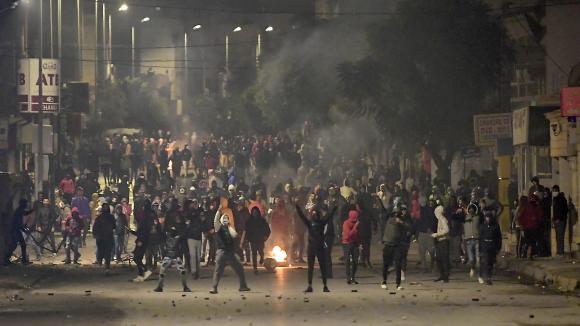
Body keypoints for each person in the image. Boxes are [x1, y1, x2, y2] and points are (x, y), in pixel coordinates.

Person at [295, 203, 337, 293]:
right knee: (312, 268)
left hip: (317, 247)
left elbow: (329, 215)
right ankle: (313, 286)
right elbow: (302, 216)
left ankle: (323, 286)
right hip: (313, 248)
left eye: (316, 214)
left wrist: (334, 208)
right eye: (314, 214)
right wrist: (298, 208)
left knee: (320, 267)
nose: (315, 215)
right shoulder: (313, 223)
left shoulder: (319, 223)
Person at [210, 208, 251, 294]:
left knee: (239, 269)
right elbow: (215, 221)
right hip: (222, 252)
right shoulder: (219, 228)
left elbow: (235, 237)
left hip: (230, 252)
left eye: (226, 219)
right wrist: (218, 211)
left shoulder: (229, 229)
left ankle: (242, 286)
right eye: (224, 219)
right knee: (218, 271)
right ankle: (214, 288)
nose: (225, 220)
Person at [380, 208, 411, 290]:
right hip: (388, 244)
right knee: (386, 264)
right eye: (395, 214)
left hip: (397, 246)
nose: (396, 216)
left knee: (398, 265)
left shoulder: (400, 222)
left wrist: (401, 222)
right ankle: (384, 281)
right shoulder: (389, 220)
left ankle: (398, 284)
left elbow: (408, 227)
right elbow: (386, 214)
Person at [154, 226, 191, 293]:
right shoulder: (168, 237)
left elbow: (185, 234)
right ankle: (159, 287)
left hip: (175, 257)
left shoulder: (178, 238)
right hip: (168, 257)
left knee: (182, 272)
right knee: (162, 272)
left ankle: (185, 287)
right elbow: (159, 232)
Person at [131, 199, 155, 282]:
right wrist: (133, 232)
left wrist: (140, 239)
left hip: (142, 239)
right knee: (137, 257)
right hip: (143, 238)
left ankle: (143, 272)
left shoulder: (146, 216)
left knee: (137, 257)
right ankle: (143, 272)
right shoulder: (149, 215)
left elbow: (144, 230)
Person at [242, 207, 271, 274]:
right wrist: (247, 238)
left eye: (256, 212)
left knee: (261, 251)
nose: (255, 213)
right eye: (253, 212)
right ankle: (255, 268)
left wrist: (266, 236)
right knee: (254, 254)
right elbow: (246, 230)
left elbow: (267, 229)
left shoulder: (262, 220)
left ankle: (261, 258)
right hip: (253, 240)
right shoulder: (249, 221)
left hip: (260, 239)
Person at [6, 199, 34, 265]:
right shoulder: (19, 210)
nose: (26, 205)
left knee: (21, 245)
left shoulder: (19, 210)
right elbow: (18, 222)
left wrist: (32, 210)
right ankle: (6, 259)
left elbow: (25, 213)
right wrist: (23, 229)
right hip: (15, 231)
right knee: (14, 245)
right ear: (23, 204)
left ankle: (23, 260)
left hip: (16, 230)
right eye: (25, 204)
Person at [479, 211, 502, 285]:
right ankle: (487, 277)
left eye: (489, 217)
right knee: (486, 261)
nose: (488, 219)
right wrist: (480, 248)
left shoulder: (495, 226)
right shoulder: (483, 226)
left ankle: (489, 276)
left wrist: (498, 247)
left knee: (491, 262)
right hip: (485, 246)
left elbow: (499, 238)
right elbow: (480, 238)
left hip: (492, 246)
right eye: (486, 217)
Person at [184, 199, 204, 280]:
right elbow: (186, 220)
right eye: (193, 203)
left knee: (198, 257)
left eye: (196, 203)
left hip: (198, 237)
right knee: (193, 255)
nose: (194, 205)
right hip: (191, 237)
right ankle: (194, 272)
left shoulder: (200, 212)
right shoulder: (189, 213)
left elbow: (203, 222)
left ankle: (197, 272)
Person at [92, 203, 116, 270]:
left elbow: (95, 227)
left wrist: (95, 235)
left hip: (103, 237)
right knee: (106, 252)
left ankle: (103, 263)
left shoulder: (99, 217)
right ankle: (106, 266)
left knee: (102, 251)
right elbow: (114, 226)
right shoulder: (111, 217)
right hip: (106, 237)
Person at [432, 203, 450, 283]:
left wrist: (437, 234)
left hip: (444, 241)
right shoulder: (440, 220)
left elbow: (447, 230)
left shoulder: (443, 219)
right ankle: (442, 276)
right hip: (440, 241)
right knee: (439, 259)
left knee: (444, 260)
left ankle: (445, 277)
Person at [342, 209, 360, 284]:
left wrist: (360, 243)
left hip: (355, 244)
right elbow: (348, 234)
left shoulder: (358, 223)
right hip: (347, 243)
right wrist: (355, 227)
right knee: (347, 261)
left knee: (356, 261)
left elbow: (359, 235)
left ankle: (353, 276)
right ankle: (348, 277)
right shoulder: (346, 223)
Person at [463, 202, 480, 280]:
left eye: (473, 209)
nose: (471, 210)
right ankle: (472, 269)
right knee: (471, 259)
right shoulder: (465, 218)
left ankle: (480, 274)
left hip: (477, 240)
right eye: (470, 209)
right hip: (468, 240)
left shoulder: (478, 218)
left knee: (478, 258)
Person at [551, 185, 568, 256]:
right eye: (553, 191)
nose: (553, 192)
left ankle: (560, 252)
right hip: (556, 220)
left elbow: (563, 211)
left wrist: (559, 219)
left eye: (555, 191)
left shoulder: (562, 199)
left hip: (560, 221)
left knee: (560, 237)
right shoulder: (555, 199)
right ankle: (559, 252)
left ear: (558, 191)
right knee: (558, 237)